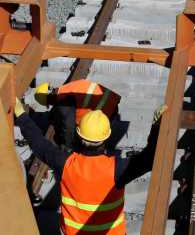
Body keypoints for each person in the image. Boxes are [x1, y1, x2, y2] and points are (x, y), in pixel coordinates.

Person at [15, 97, 167, 235]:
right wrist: (156, 128)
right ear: (106, 137)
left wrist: (22, 116)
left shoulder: (65, 163)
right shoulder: (117, 169)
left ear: (80, 135)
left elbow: (39, 144)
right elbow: (149, 159)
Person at [35, 79, 121, 150]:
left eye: (49, 103)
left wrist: (67, 145)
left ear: (49, 98)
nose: (52, 105)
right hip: (110, 100)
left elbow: (69, 125)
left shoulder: (64, 100)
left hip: (106, 110)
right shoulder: (68, 88)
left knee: (91, 140)